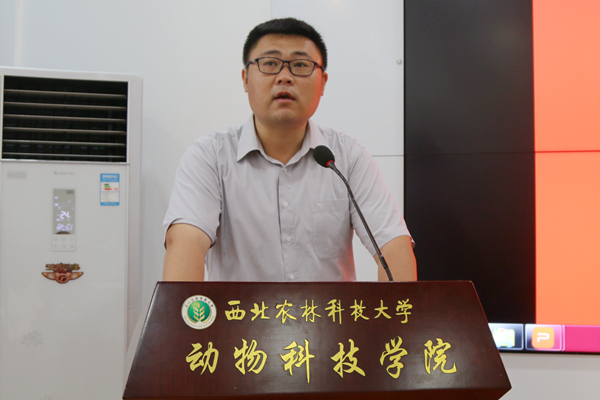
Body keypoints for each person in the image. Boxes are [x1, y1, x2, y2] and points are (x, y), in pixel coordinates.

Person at [163, 18, 416, 282]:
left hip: (329, 311)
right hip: (239, 311)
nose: (285, 77)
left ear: (322, 82)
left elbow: (392, 244)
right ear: (246, 79)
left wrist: (395, 309)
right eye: (270, 63)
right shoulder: (210, 157)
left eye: (301, 65)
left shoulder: (347, 158)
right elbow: (186, 241)